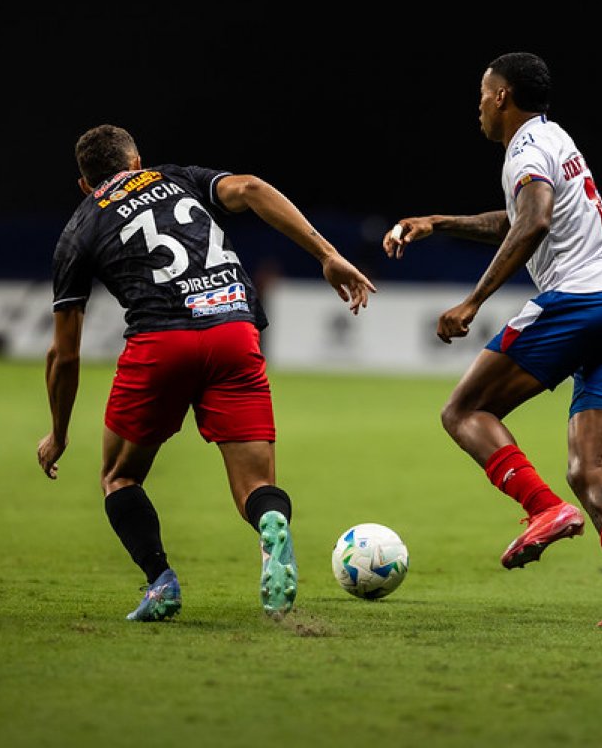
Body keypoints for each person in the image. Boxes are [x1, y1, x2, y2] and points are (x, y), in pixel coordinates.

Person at [37, 124, 376, 622]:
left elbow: (64, 356)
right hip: (233, 331)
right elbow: (254, 188)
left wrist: (59, 433)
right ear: (135, 163)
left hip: (160, 343)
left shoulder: (78, 228)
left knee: (120, 475)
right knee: (255, 485)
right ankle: (272, 524)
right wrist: (327, 254)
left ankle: (161, 582)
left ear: (85, 185)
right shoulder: (175, 177)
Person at [382, 52, 602, 627]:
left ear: (503, 97)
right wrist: (439, 223)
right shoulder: (554, 139)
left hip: (581, 302)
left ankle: (543, 509)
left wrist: (473, 302)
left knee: (464, 410)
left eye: (483, 95)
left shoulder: (525, 150)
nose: (479, 107)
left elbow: (533, 221)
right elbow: (517, 217)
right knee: (590, 466)